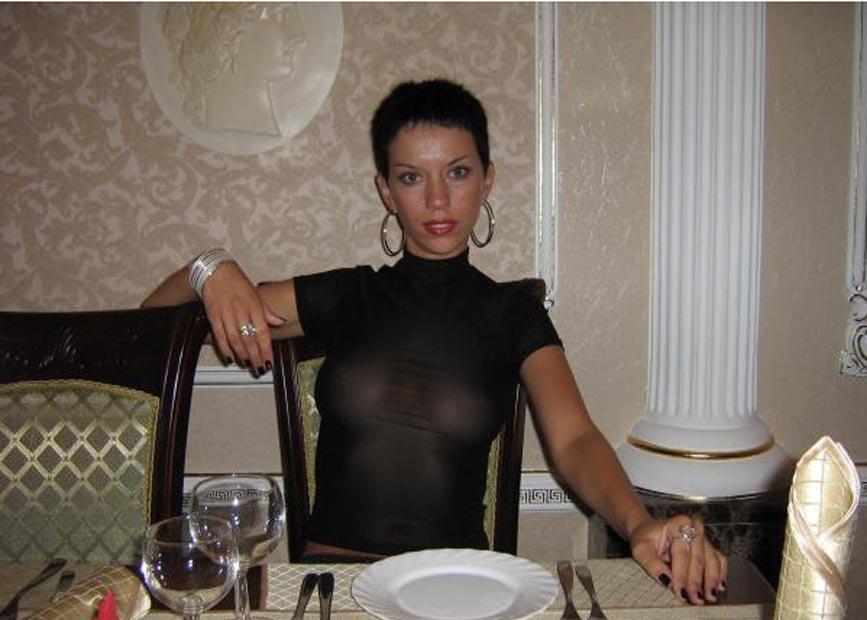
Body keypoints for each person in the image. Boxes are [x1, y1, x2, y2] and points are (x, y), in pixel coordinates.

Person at [143, 79, 727, 605]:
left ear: (488, 178)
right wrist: (208, 269)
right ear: (385, 191)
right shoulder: (347, 296)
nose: (438, 200)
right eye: (411, 177)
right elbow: (151, 327)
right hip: (333, 588)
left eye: (458, 172)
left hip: (459, 588)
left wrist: (638, 524)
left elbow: (575, 439)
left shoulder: (513, 313)